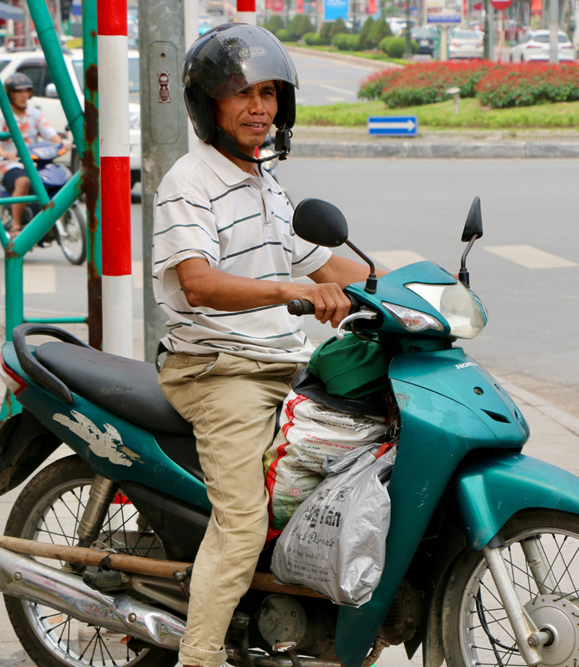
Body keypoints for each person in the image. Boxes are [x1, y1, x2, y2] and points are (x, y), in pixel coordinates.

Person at [153, 24, 379, 667]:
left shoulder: (264, 181)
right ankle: (197, 656)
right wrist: (287, 293)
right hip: (217, 370)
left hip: (281, 361)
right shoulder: (189, 182)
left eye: (271, 94)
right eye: (242, 94)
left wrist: (407, 291)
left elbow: (326, 267)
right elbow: (197, 282)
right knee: (244, 520)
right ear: (209, 105)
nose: (260, 108)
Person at [0, 72, 68, 236]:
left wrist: (61, 143)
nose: (23, 95)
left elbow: (49, 133)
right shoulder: (2, 116)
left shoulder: (34, 114)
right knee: (23, 181)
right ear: (10, 94)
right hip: (8, 164)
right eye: (18, 91)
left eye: (26, 91)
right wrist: (3, 153)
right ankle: (16, 225)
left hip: (34, 160)